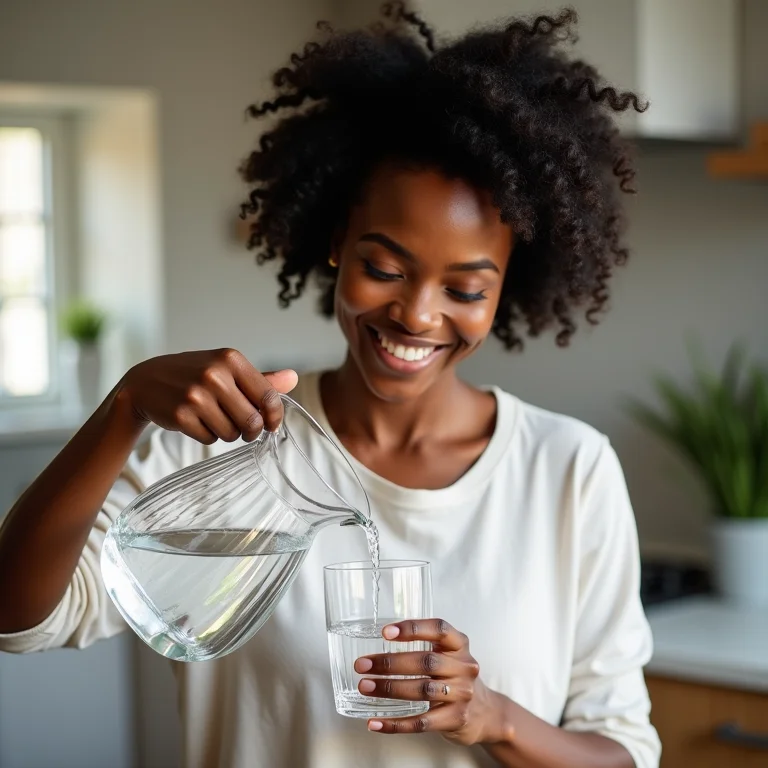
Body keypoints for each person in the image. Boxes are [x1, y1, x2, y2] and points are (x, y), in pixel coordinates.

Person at [0, 5, 661, 768]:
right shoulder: (225, 443)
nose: (416, 314)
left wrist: (494, 717)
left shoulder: (569, 470)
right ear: (334, 247)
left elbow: (625, 756)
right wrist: (123, 408)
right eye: (384, 268)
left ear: (507, 290)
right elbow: (19, 619)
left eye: (466, 288)